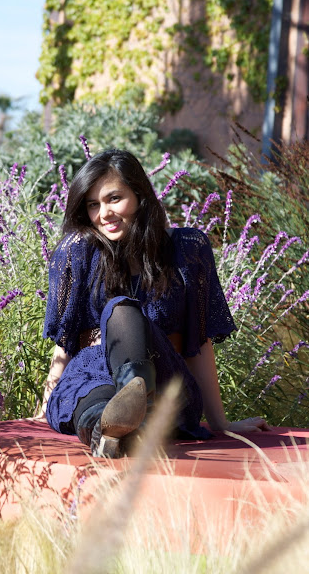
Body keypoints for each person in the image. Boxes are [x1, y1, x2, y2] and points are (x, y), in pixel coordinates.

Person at [36, 149, 269, 458]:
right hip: (91, 375)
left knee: (122, 309)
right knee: (96, 401)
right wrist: (43, 409)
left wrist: (220, 422)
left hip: (166, 382)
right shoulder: (77, 252)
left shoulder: (187, 249)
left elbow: (198, 343)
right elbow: (66, 345)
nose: (103, 213)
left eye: (114, 198)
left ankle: (135, 410)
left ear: (140, 194)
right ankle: (110, 430)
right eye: (93, 204)